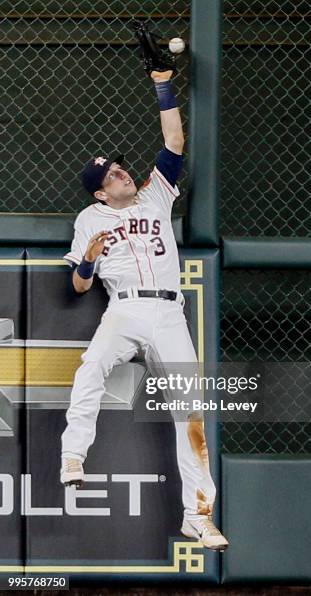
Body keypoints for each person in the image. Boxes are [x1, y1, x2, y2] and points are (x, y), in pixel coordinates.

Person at [60, 66, 228, 551]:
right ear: (99, 191)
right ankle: (74, 456)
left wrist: (161, 83)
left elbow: (174, 138)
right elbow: (76, 285)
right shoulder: (89, 217)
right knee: (91, 367)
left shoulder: (155, 195)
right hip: (125, 310)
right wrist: (89, 261)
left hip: (169, 313)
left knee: (191, 411)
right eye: (110, 173)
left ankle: (197, 516)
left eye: (119, 166)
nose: (120, 171)